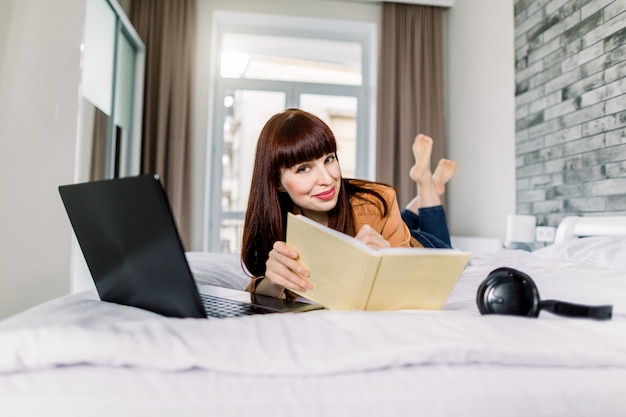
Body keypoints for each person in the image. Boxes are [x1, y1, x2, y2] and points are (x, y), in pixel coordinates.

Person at [241, 108, 454, 298]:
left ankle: (426, 183)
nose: (327, 179)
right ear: (278, 183)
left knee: (449, 253)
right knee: (402, 219)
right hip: (386, 222)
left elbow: (412, 283)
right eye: (304, 169)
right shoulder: (275, 222)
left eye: (329, 159)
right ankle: (428, 188)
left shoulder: (376, 201)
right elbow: (258, 288)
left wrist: (389, 258)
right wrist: (273, 283)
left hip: (415, 243)